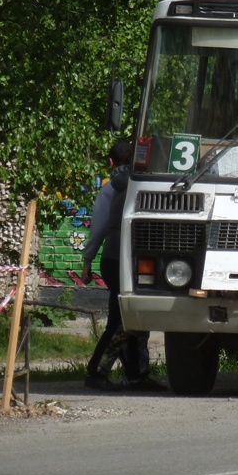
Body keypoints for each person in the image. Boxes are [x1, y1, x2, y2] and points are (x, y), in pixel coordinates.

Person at [81, 143, 162, 392]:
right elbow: (101, 227)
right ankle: (97, 371)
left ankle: (135, 375)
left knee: (134, 319)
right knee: (122, 321)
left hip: (116, 260)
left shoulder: (116, 186)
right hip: (124, 261)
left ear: (111, 163)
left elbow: (98, 229)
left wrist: (88, 260)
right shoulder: (140, 186)